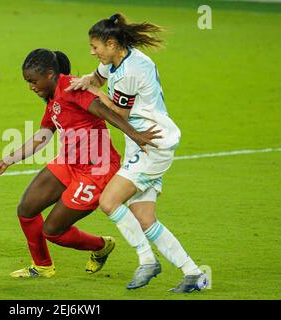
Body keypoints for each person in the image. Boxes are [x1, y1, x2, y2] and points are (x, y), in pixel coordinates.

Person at [0, 48, 161, 278]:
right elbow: (43, 136)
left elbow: (105, 111)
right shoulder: (52, 97)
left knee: (53, 231)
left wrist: (136, 135)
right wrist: (7, 161)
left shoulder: (73, 89)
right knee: (27, 209)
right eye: (27, 82)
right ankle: (43, 267)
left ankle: (101, 246)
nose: (31, 87)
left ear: (49, 74)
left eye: (33, 81)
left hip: (97, 171)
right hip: (70, 162)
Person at [66, 13, 208, 293]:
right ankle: (193, 273)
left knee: (108, 201)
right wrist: (86, 80)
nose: (92, 52)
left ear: (110, 43)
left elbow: (119, 111)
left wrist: (94, 93)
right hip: (140, 144)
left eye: (95, 47)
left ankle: (147, 261)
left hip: (151, 143)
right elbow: (98, 75)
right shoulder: (116, 59)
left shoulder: (133, 70)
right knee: (144, 219)